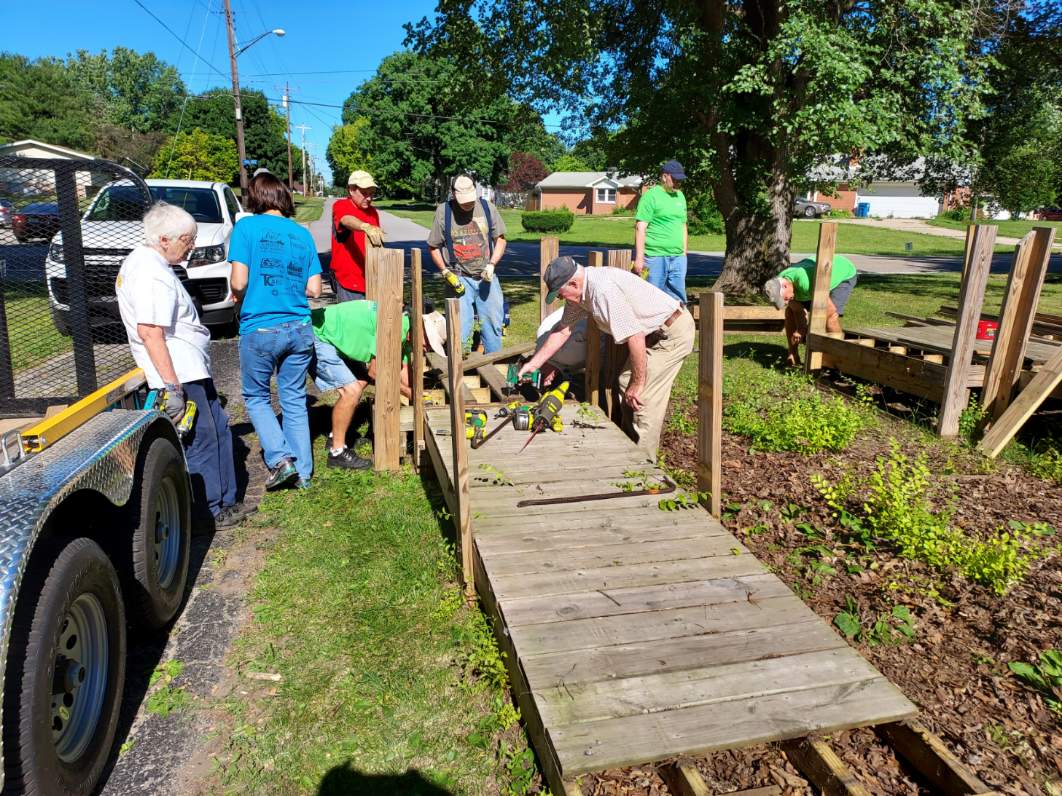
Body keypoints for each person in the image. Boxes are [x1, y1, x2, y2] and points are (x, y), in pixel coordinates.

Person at [115, 202, 250, 530]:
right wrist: (173, 386)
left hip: (190, 368)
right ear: (163, 239)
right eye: (187, 240)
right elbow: (150, 331)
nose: (191, 246)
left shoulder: (151, 264)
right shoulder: (150, 273)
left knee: (216, 428)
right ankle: (211, 510)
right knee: (203, 437)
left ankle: (224, 501)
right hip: (179, 372)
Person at [520, 256, 695, 455]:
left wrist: (638, 384)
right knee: (624, 382)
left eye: (561, 294)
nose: (561, 299)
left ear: (573, 283)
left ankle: (644, 469)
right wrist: (534, 364)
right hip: (652, 334)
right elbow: (563, 330)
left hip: (670, 335)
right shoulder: (580, 293)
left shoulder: (602, 291)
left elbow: (635, 337)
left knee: (642, 399)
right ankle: (631, 449)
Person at [230, 172, 322, 490]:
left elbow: (239, 282)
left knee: (256, 396)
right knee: (294, 397)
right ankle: (304, 474)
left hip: (261, 326)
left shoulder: (246, 228)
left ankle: (281, 460)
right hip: (299, 326)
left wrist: (244, 293)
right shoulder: (303, 234)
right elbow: (314, 287)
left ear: (256, 197)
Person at [310, 301, 447, 469]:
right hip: (317, 334)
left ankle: (336, 436)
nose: (426, 348)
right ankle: (337, 453)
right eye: (428, 342)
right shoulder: (396, 326)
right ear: (422, 328)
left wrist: (417, 393)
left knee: (361, 381)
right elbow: (376, 372)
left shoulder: (405, 325)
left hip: (330, 334)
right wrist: (406, 392)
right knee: (351, 392)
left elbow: (401, 370)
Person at [427, 175, 508, 353]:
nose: (467, 205)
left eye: (470, 200)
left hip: (487, 278)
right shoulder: (444, 212)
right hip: (459, 279)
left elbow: (500, 240)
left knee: (493, 326)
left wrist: (492, 264)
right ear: (453, 194)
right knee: (459, 330)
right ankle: (459, 370)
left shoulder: (487, 208)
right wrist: (445, 272)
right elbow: (433, 246)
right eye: (463, 201)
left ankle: (493, 366)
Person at [763, 254, 859, 367]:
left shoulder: (806, 282)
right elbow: (798, 310)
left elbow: (830, 309)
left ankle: (842, 360)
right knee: (790, 312)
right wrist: (801, 329)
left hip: (842, 272)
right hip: (816, 279)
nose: (785, 302)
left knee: (830, 319)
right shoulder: (781, 280)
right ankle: (793, 354)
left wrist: (808, 330)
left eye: (784, 298)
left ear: (785, 286)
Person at [633, 159, 688, 304]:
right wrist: (639, 258)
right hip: (655, 256)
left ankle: (678, 326)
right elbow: (640, 227)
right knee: (652, 297)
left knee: (678, 298)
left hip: (677, 257)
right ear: (664, 176)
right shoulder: (651, 196)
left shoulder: (680, 196)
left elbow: (683, 226)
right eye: (675, 179)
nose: (677, 183)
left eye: (680, 180)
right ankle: (652, 327)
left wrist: (684, 253)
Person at [330, 170, 384, 302]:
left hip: (371, 280)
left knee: (371, 321)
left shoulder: (372, 212)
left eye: (371, 194)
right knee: (352, 321)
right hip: (349, 281)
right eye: (364, 193)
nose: (369, 198)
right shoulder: (341, 205)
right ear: (351, 190)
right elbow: (346, 219)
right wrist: (365, 227)